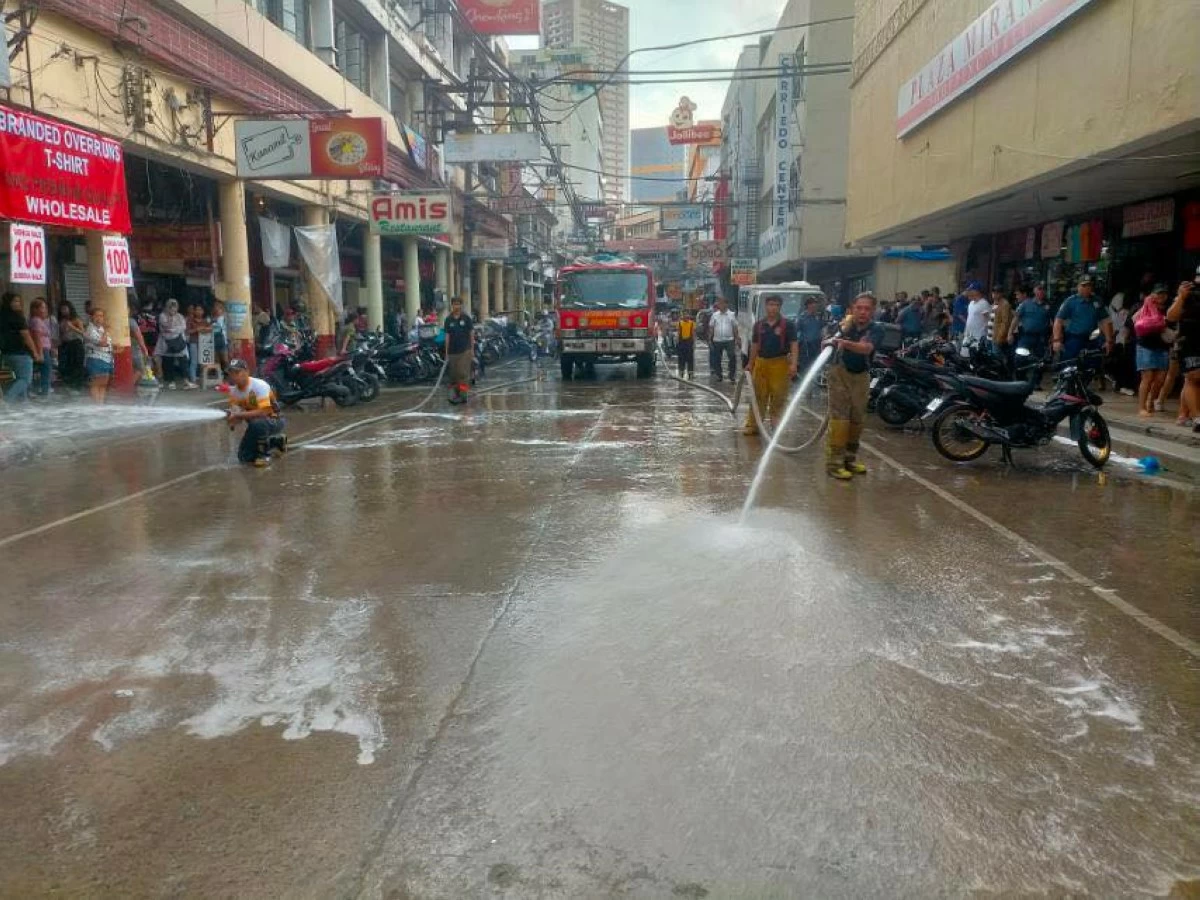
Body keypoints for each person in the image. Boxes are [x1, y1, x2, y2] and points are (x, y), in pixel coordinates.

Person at [825, 293, 884, 480]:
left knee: (857, 418)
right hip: (839, 373)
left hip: (861, 376)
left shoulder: (876, 329)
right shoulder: (843, 326)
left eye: (867, 309)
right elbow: (825, 342)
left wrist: (845, 342)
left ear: (872, 311)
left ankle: (849, 458)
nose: (863, 312)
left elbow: (866, 348)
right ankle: (835, 463)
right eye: (859, 308)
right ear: (853, 308)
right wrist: (839, 332)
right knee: (840, 418)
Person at [742, 294, 798, 437]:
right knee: (757, 395)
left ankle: (775, 426)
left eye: (776, 305)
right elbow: (754, 345)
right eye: (770, 304)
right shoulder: (759, 325)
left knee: (779, 396)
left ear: (780, 307)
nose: (773, 308)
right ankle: (753, 425)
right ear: (765, 306)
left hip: (780, 364)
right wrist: (750, 363)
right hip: (761, 363)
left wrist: (793, 364)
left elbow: (794, 345)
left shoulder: (788, 325)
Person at [225, 358, 286, 467]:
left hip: (274, 420)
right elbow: (236, 418)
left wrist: (238, 415)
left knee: (258, 423)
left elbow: (264, 412)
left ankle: (263, 455)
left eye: (237, 372)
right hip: (255, 425)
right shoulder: (234, 392)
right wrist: (231, 420)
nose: (234, 376)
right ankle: (276, 442)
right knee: (244, 457)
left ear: (246, 372)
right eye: (231, 373)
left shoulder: (259, 385)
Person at [1165, 271, 1200, 431]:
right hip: (1190, 341)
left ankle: (1186, 415)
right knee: (1193, 377)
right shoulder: (1188, 293)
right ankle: (1196, 417)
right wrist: (1181, 296)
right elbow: (1171, 317)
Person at [1053, 277, 1115, 362]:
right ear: (1078, 287)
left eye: (1089, 285)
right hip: (1074, 338)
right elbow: (1058, 321)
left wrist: (1109, 340)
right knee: (1070, 365)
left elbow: (1106, 321)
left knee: (1093, 365)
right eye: (1084, 285)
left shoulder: (1097, 301)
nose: (1087, 288)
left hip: (1093, 338)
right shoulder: (1070, 301)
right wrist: (1056, 340)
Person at [1132, 285, 1171, 418]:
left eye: (1164, 294)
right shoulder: (1143, 307)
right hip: (1145, 346)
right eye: (1158, 293)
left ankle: (1151, 401)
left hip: (1162, 347)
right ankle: (1141, 407)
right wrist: (1147, 305)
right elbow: (1133, 321)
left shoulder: (1169, 308)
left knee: (1160, 379)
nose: (1161, 296)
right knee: (1147, 378)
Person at [0, 292, 38, 402]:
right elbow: (26, 336)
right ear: (8, 302)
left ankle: (22, 408)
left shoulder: (2, 316)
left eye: (19, 301)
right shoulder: (18, 317)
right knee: (25, 380)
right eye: (15, 301)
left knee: (16, 380)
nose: (18, 304)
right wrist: (35, 351)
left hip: (6, 353)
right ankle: (7, 399)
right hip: (21, 353)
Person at [443, 296, 474, 404]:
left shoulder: (466, 318)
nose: (456, 306)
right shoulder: (448, 320)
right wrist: (446, 352)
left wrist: (472, 349)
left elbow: (471, 334)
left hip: (464, 351)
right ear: (452, 305)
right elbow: (447, 336)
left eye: (458, 304)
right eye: (454, 304)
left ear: (461, 305)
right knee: (454, 375)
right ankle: (456, 394)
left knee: (462, 374)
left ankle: (463, 396)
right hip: (452, 352)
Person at [156, 299, 192, 389]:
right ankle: (170, 382)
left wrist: (172, 330)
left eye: (175, 307)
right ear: (167, 307)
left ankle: (186, 381)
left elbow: (183, 327)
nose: (173, 310)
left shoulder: (180, 316)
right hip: (166, 342)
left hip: (179, 342)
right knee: (168, 361)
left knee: (183, 360)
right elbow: (165, 326)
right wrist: (174, 327)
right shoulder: (162, 316)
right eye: (171, 307)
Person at [83, 306, 115, 403]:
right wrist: (106, 331)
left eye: (101, 316)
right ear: (91, 317)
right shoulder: (90, 329)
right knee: (96, 383)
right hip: (95, 358)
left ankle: (100, 404)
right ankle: (96, 404)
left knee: (103, 384)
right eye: (96, 316)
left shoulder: (101, 329)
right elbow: (102, 343)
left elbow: (108, 343)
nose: (99, 318)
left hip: (106, 359)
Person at [56, 301, 86, 390]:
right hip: (65, 344)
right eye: (61, 309)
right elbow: (61, 334)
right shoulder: (61, 320)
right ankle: (69, 384)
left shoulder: (76, 319)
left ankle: (77, 386)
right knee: (67, 365)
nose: (63, 311)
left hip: (76, 343)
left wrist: (72, 327)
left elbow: (83, 333)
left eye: (65, 309)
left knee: (77, 364)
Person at [708, 296, 739, 382]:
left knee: (732, 356)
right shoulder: (714, 315)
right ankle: (719, 375)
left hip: (730, 340)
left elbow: (735, 327)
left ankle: (732, 375)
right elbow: (711, 328)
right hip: (717, 340)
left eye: (721, 303)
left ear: (726, 304)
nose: (719, 305)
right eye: (719, 303)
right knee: (717, 359)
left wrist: (737, 339)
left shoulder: (731, 315)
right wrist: (709, 339)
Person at [28, 298, 54, 397]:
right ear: (35, 309)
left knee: (44, 370)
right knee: (46, 370)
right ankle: (44, 391)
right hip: (42, 348)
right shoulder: (36, 321)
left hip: (45, 348)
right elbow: (37, 337)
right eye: (43, 308)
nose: (45, 310)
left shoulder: (40, 320)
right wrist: (40, 352)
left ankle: (43, 390)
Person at [796, 296, 826, 368]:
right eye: (812, 304)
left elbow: (824, 328)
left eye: (815, 304)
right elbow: (795, 332)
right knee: (806, 367)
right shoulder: (802, 318)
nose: (814, 305)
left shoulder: (819, 317)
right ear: (808, 306)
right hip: (806, 348)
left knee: (817, 366)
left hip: (817, 345)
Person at [185, 303, 210, 385]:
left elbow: (210, 329)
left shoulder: (205, 320)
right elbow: (187, 331)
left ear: (203, 311)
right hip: (194, 342)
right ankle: (193, 379)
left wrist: (204, 329)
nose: (199, 311)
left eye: (200, 310)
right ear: (194, 311)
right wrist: (197, 329)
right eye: (197, 310)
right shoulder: (190, 320)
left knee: (203, 361)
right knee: (194, 361)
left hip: (204, 343)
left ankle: (202, 378)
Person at [990, 286, 1014, 367]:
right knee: (993, 358)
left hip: (997, 337)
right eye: (993, 293)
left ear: (1001, 294)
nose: (994, 295)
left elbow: (1005, 322)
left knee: (998, 358)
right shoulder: (994, 303)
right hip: (991, 335)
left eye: (997, 293)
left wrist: (1000, 336)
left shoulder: (1004, 304)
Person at [963, 284, 991, 349]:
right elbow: (969, 319)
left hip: (978, 337)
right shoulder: (971, 303)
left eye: (971, 290)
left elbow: (988, 320)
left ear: (977, 291)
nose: (969, 292)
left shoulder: (984, 304)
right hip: (968, 337)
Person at [676, 309, 696, 379]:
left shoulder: (692, 323)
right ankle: (681, 373)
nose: (686, 316)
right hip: (682, 343)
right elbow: (678, 334)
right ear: (682, 316)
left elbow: (693, 334)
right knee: (681, 359)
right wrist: (677, 343)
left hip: (689, 343)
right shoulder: (679, 323)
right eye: (684, 314)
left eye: (687, 314)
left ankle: (690, 373)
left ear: (689, 315)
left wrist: (694, 344)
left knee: (690, 359)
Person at [211, 300, 229, 370]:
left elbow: (219, 328)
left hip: (222, 340)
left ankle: (227, 373)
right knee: (216, 359)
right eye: (215, 307)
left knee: (224, 359)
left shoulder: (223, 318)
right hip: (214, 340)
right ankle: (219, 374)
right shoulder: (212, 318)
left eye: (219, 307)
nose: (217, 309)